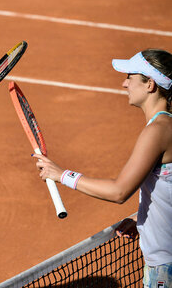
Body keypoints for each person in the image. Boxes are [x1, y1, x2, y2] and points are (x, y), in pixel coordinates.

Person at [33, 48, 172, 288]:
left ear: (149, 84)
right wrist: (141, 220)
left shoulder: (157, 131)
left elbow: (119, 192)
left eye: (130, 77)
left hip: (164, 267)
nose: (123, 83)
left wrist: (61, 175)